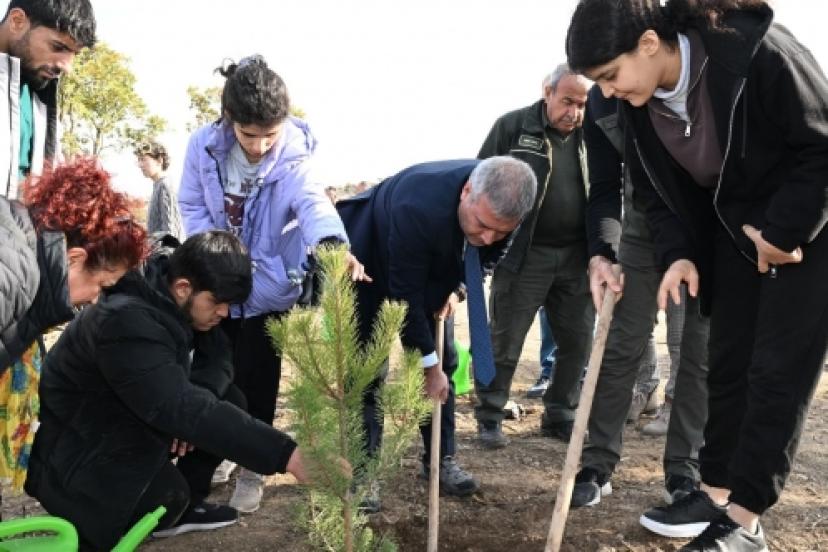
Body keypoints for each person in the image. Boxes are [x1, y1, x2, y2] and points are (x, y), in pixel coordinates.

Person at [567, 1, 828, 550]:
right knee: (726, 364)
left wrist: (783, 232)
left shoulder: (760, 55)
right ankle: (714, 494)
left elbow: (822, 147)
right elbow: (663, 196)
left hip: (809, 229)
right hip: (732, 233)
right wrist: (680, 254)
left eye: (610, 76)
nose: (607, 93)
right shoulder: (636, 107)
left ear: (648, 44)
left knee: (776, 374)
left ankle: (746, 520)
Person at [25, 231, 318, 549]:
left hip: (117, 414)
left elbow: (219, 357)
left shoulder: (175, 288)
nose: (224, 313)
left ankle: (183, 507)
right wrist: (286, 454)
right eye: (218, 303)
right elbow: (179, 405)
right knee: (164, 499)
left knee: (227, 398)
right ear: (183, 289)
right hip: (71, 448)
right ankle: (95, 526)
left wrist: (193, 401)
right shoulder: (125, 318)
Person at [178, 54, 367, 514]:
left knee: (258, 384)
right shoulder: (202, 148)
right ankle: (219, 451)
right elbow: (191, 203)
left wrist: (331, 245)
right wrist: (217, 254)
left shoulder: (295, 157)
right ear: (229, 121)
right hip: (219, 282)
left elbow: (313, 204)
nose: (260, 146)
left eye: (270, 134)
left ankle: (252, 470)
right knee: (213, 377)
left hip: (266, 290)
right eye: (248, 135)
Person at [336, 156, 536, 510]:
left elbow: (492, 254)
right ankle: (364, 472)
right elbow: (404, 296)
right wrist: (428, 367)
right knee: (368, 369)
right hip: (369, 262)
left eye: (500, 229)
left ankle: (439, 460)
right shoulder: (418, 206)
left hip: (430, 265)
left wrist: (458, 288)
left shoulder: (507, 203)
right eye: (482, 224)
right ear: (467, 191)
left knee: (446, 360)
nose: (487, 236)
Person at [568, 85, 709, 512]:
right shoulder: (600, 101)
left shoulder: (685, 79)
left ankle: (684, 469)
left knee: (698, 351)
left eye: (611, 72)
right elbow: (606, 185)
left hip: (702, 230)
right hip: (640, 233)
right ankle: (597, 464)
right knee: (618, 345)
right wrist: (602, 254)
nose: (608, 85)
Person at [0, 157, 146, 489]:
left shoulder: (20, 240)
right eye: (103, 285)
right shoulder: (15, 271)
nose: (96, 298)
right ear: (75, 258)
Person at [473, 65, 594, 448]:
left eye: (582, 104)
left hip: (577, 259)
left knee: (577, 343)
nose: (573, 112)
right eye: (567, 101)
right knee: (505, 342)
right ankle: (490, 414)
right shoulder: (513, 128)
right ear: (547, 92)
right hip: (524, 255)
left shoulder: (596, 134)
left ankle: (560, 412)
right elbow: (478, 178)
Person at [0, 0, 96, 198]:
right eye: (58, 47)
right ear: (17, 21)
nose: (67, 67)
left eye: (74, 54)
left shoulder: (40, 92)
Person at [135, 140, 184, 240]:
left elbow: (171, 232)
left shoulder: (165, 185)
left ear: (159, 161)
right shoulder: (158, 186)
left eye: (144, 159)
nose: (140, 165)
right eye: (139, 160)